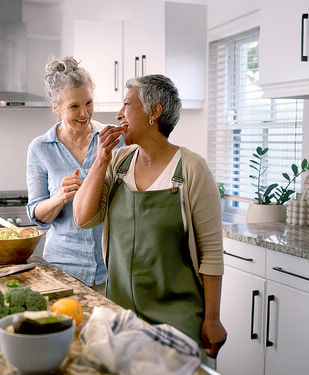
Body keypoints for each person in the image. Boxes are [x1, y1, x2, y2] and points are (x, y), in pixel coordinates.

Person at [73, 74, 227, 359]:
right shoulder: (118, 162)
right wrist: (100, 160)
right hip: (121, 318)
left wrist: (213, 319)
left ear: (154, 112)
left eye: (127, 104)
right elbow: (83, 217)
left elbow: (212, 255)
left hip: (177, 323)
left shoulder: (192, 169)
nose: (119, 114)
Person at [26, 56, 119, 293]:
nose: (84, 113)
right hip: (62, 270)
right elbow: (36, 214)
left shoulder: (112, 141)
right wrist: (59, 198)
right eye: (74, 106)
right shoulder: (40, 147)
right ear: (56, 108)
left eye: (88, 102)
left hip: (112, 268)